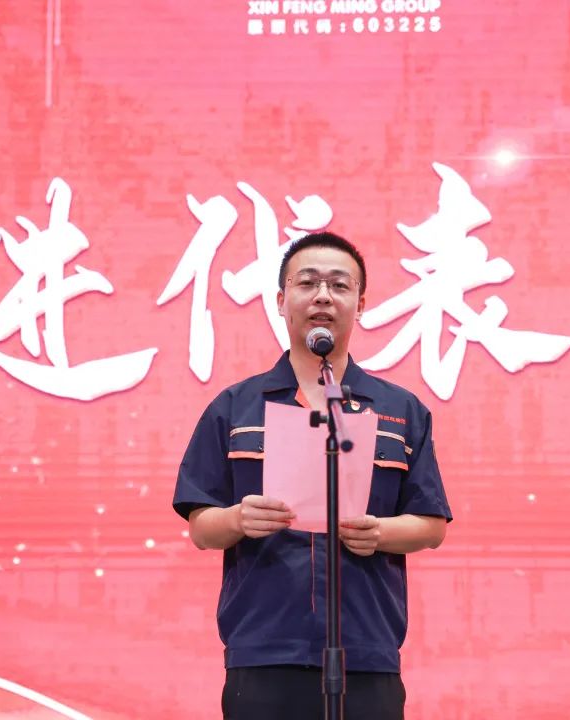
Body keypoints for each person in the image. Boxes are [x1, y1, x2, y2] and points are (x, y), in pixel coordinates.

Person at [172, 231, 451, 719]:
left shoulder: (400, 410)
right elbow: (201, 527)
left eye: (339, 285)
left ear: (360, 305)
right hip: (264, 651)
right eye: (307, 283)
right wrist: (238, 519)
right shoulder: (235, 408)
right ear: (282, 301)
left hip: (366, 650)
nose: (323, 296)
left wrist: (380, 532)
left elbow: (431, 526)